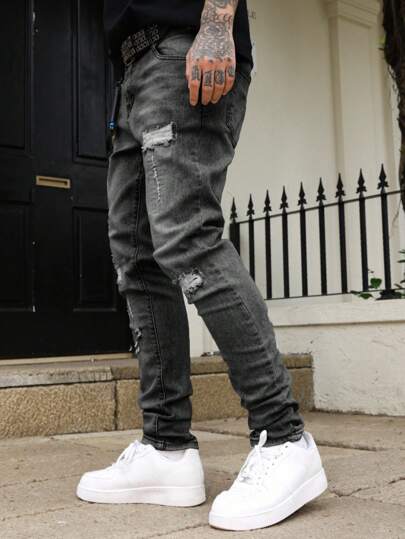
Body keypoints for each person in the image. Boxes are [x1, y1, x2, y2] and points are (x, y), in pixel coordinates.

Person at [76, 0, 328, 531]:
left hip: (185, 44)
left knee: (187, 236)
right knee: (138, 258)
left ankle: (283, 438)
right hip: (133, 69)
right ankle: (166, 447)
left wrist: (216, 23)